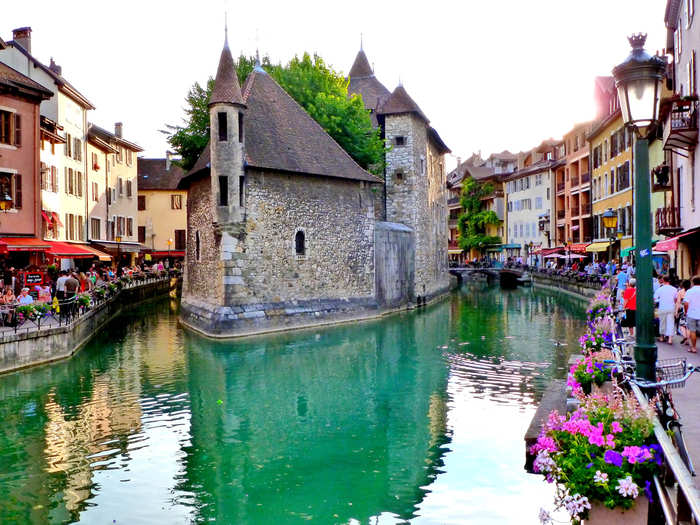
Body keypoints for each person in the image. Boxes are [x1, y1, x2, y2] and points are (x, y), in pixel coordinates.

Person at [654, 275, 677, 344]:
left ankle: (662, 337)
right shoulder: (674, 289)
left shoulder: (660, 289)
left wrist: (659, 301)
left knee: (662, 322)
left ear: (663, 280)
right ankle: (670, 339)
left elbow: (655, 299)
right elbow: (675, 299)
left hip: (662, 307)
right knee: (670, 322)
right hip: (671, 307)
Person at [683, 276, 700, 353]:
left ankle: (693, 348)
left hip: (692, 314)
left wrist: (686, 312)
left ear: (693, 282)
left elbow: (686, 303)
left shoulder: (689, 291)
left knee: (692, 331)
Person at [677, 279, 692, 346]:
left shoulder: (680, 292)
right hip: (691, 310)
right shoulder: (691, 291)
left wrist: (676, 311)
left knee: (682, 325)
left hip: (684, 310)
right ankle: (687, 340)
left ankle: (685, 336)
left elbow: (678, 302)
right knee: (688, 326)